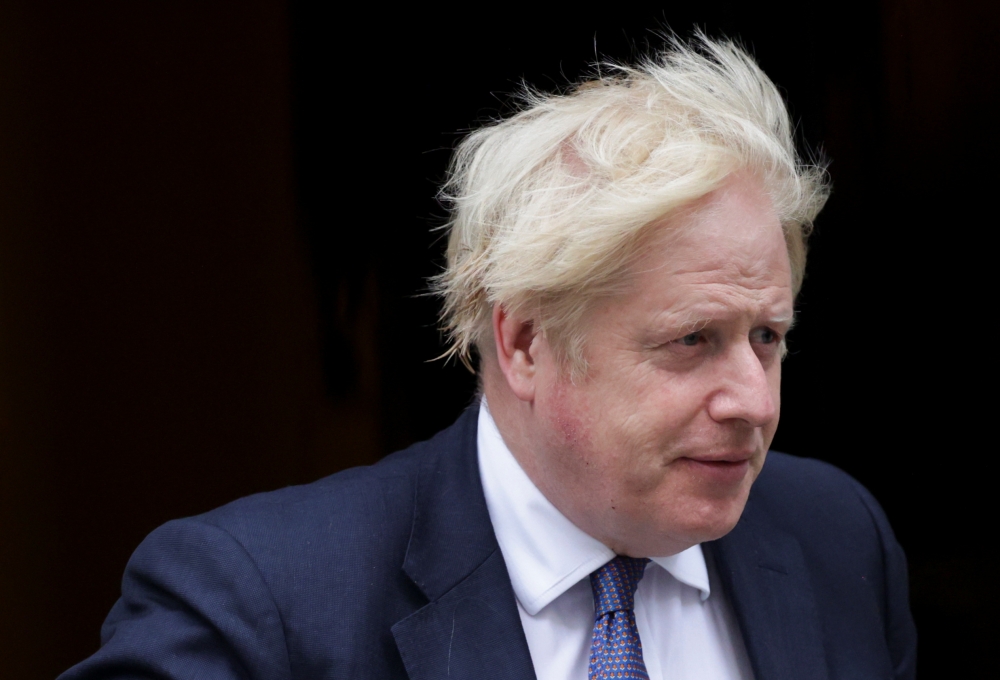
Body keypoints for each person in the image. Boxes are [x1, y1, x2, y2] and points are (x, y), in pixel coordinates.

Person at [60, 35, 917, 679]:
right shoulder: (263, 602)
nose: (753, 402)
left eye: (766, 337)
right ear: (524, 342)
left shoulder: (834, 537)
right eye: (692, 340)